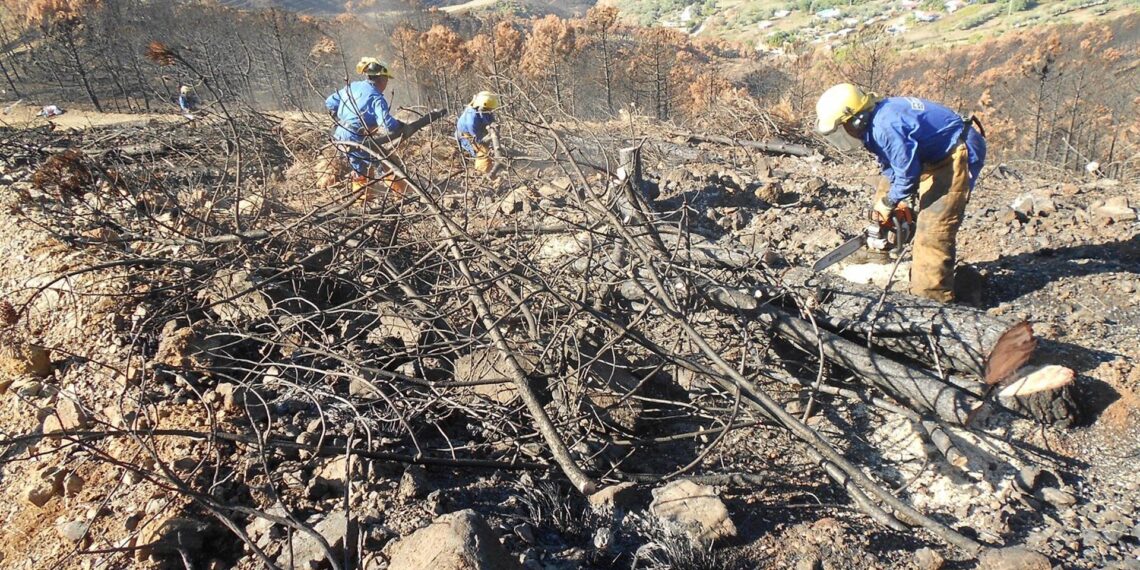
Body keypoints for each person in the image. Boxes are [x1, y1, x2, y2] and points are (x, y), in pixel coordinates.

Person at [815, 83, 986, 302]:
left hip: (955, 151)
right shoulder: (872, 125)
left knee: (933, 229)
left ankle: (931, 299)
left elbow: (907, 173)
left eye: (841, 127)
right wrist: (892, 200)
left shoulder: (886, 126)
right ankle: (882, 247)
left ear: (855, 120)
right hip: (928, 153)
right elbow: (890, 165)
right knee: (885, 191)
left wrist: (894, 200)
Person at [325, 57, 407, 196]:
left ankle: (362, 198)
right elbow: (387, 124)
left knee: (358, 167)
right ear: (381, 79)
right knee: (386, 163)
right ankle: (402, 194)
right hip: (357, 136)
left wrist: (345, 114)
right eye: (387, 79)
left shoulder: (352, 87)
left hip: (339, 134)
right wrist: (399, 125)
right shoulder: (376, 98)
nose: (386, 83)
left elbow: (330, 102)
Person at [455, 91, 501, 174]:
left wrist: (494, 127)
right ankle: (482, 173)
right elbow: (478, 140)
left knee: (494, 148)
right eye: (488, 109)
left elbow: (490, 120)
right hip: (467, 136)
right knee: (483, 151)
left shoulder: (484, 109)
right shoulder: (471, 120)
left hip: (479, 131)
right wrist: (490, 137)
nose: (490, 111)